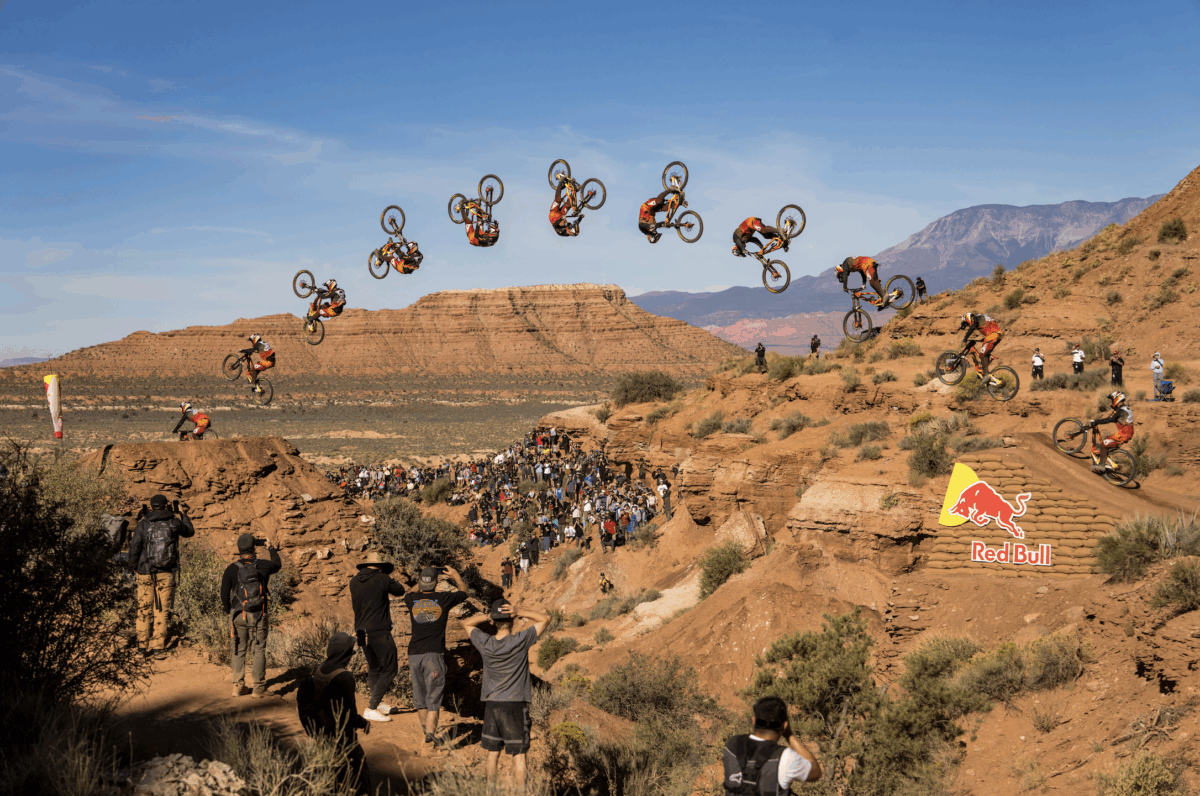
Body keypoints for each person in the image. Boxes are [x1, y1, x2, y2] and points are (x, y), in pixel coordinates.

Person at [461, 600, 551, 793]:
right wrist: (519, 611)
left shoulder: (485, 642)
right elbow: (546, 619)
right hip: (515, 705)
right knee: (519, 756)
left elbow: (466, 623)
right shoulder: (520, 640)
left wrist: (487, 616)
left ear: (494, 622)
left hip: (493, 705)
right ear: (512, 621)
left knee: (492, 754)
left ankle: (490, 791)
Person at [297, 632, 372, 796]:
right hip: (342, 736)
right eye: (350, 651)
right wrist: (362, 722)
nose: (352, 655)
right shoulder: (345, 678)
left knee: (330, 774)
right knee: (360, 776)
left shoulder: (321, 668)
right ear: (345, 654)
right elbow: (347, 713)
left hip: (322, 732)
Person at [404, 564, 470, 752]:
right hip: (433, 654)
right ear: (436, 582)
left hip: (414, 654)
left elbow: (409, 592)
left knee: (420, 699)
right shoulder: (444, 598)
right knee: (433, 699)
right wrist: (456, 575)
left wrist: (422, 580)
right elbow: (465, 593)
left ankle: (427, 735)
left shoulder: (412, 599)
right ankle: (429, 741)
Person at [127, 494, 195, 659]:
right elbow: (190, 532)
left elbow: (135, 546)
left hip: (145, 572)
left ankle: (141, 649)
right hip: (166, 572)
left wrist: (133, 567)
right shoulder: (174, 522)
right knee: (161, 610)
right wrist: (183, 514)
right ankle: (158, 648)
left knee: (143, 610)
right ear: (167, 506)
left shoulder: (143, 523)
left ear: (151, 507)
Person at [221, 533, 282, 697]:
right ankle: (259, 688)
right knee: (258, 649)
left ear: (239, 549)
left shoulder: (231, 568)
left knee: (238, 650)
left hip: (238, 614)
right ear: (254, 548)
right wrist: (270, 547)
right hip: (258, 614)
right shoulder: (263, 565)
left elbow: (224, 594)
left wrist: (230, 612)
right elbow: (277, 564)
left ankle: (238, 686)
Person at [722, 696, 822, 795]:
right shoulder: (785, 757)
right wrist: (789, 735)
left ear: (754, 720)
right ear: (785, 725)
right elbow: (816, 772)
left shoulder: (732, 744)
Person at [349, 551, 406, 723]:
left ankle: (377, 703)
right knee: (391, 668)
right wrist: (387, 577)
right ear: (380, 566)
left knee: (373, 667)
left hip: (360, 631)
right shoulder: (382, 579)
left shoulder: (353, 581)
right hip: (379, 630)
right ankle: (372, 708)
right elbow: (400, 590)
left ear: (366, 565)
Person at [1089, 391, 1134, 474]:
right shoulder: (1125, 409)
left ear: (1117, 399)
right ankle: (1104, 456)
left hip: (1123, 434)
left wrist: (1095, 421)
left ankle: (1101, 465)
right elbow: (1117, 420)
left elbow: (1109, 419)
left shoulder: (1120, 410)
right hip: (1126, 433)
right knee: (1107, 440)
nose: (1112, 402)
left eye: (1112, 400)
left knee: (1103, 444)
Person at [958, 312, 1003, 380]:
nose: (968, 325)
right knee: (984, 352)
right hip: (994, 335)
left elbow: (972, 328)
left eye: (967, 323)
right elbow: (988, 327)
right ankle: (985, 371)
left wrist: (965, 338)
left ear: (968, 318)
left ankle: (985, 375)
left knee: (982, 355)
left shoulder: (977, 318)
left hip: (993, 336)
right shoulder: (980, 318)